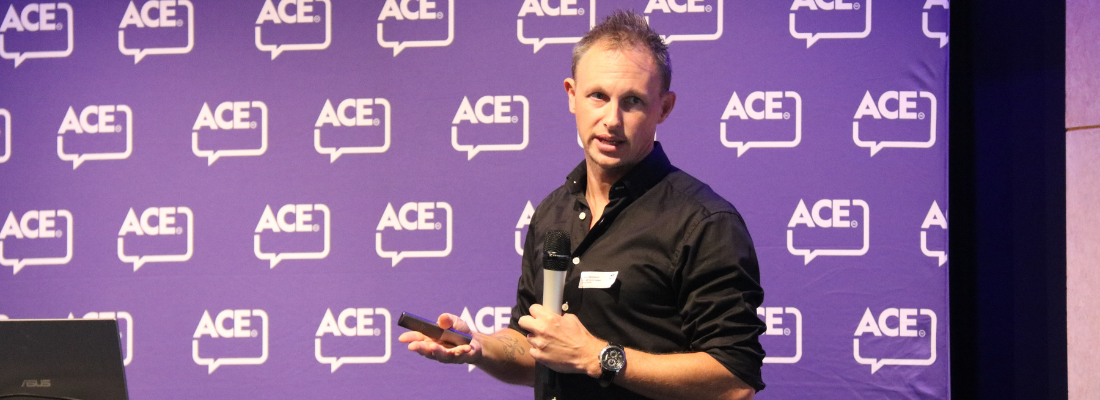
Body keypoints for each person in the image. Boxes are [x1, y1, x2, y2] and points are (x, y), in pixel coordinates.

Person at [399, 10, 766, 400]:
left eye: (633, 101)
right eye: (598, 96)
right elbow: (533, 349)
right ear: (572, 95)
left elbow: (734, 381)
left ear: (664, 107)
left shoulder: (704, 222)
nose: (612, 119)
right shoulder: (551, 213)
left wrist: (597, 357)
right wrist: (479, 346)